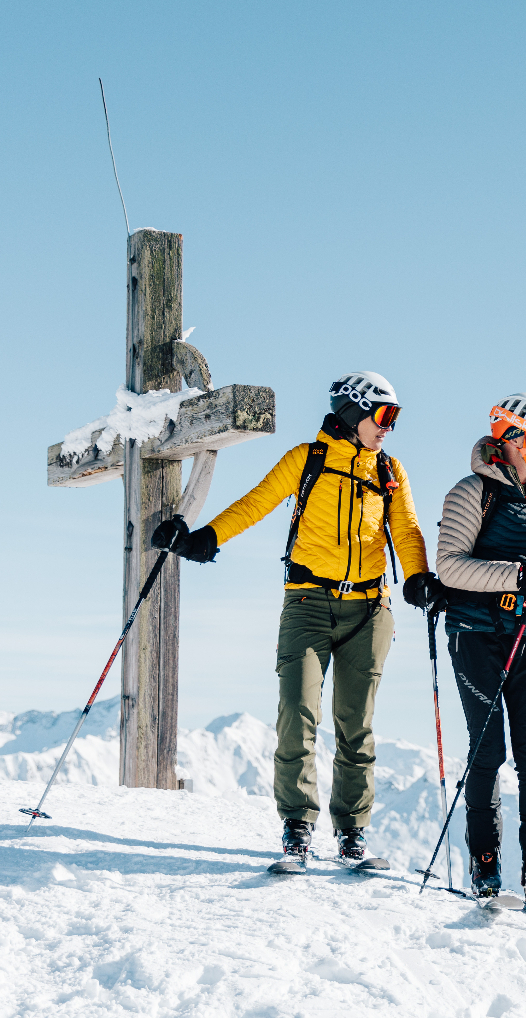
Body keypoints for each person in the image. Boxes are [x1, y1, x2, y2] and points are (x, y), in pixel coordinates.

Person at [152, 371, 437, 873]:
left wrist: (418, 578)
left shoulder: (389, 470)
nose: (389, 427)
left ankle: (351, 833)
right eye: (384, 414)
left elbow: (408, 530)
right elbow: (257, 502)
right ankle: (297, 827)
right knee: (297, 713)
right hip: (306, 603)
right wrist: (205, 539)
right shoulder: (307, 460)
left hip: (370, 611)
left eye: (395, 417)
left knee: (357, 724)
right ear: (353, 411)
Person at [435, 393, 526, 922]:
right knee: (487, 748)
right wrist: (516, 576)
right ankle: (485, 864)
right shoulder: (470, 493)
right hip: (476, 634)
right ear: (513, 436)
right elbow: (450, 566)